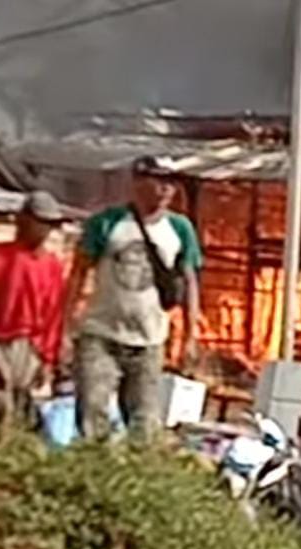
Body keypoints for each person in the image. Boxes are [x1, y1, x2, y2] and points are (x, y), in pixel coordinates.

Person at [64, 156, 202, 441]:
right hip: (101, 334)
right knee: (93, 408)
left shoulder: (179, 229)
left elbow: (189, 281)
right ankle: (94, 470)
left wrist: (190, 337)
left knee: (145, 421)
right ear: (138, 183)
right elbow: (79, 273)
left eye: (170, 183)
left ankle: (137, 475)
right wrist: (67, 324)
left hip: (149, 341)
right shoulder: (107, 223)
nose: (165, 190)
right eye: (158, 181)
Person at [0, 190, 68, 429]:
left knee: (18, 401)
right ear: (23, 219)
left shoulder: (52, 265)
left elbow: (53, 314)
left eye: (49, 224)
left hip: (29, 345)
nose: (43, 230)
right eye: (39, 221)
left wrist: (47, 358)